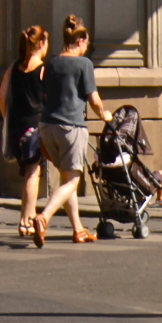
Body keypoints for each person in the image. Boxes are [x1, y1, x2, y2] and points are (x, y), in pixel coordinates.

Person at [33, 15, 113, 246]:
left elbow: (45, 94)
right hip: (71, 126)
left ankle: (78, 229)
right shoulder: (84, 64)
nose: (86, 48)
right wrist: (104, 114)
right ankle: (44, 217)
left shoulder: (52, 63)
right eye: (86, 44)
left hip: (47, 126)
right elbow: (94, 99)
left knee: (68, 179)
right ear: (80, 41)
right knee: (72, 181)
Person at [0, 25, 49, 236]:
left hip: (17, 126)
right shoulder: (43, 69)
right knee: (32, 173)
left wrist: (6, 117)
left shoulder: (14, 67)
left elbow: (1, 96)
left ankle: (24, 217)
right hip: (35, 127)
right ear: (42, 44)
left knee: (28, 171)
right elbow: (50, 99)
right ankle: (27, 221)